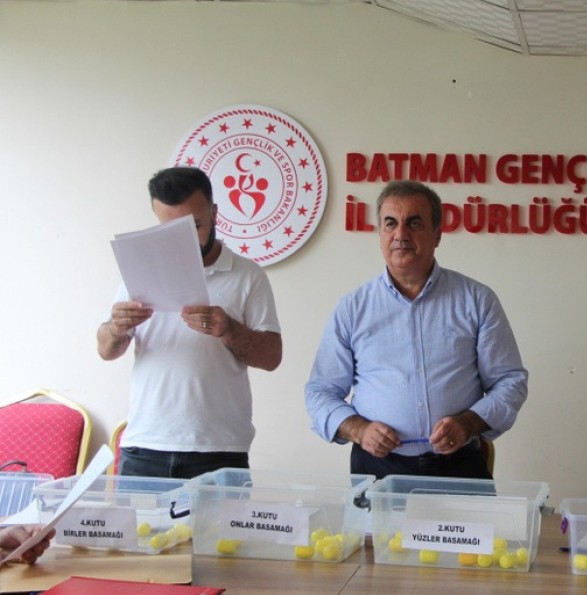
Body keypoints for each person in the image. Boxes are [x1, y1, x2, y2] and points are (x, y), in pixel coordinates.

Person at [306, 180, 527, 479]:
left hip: (460, 466)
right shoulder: (352, 308)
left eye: (414, 223)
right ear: (380, 234)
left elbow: (510, 381)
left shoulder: (477, 300)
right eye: (390, 223)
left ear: (437, 235)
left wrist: (469, 423)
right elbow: (320, 392)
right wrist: (359, 430)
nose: (400, 235)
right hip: (376, 468)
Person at [97, 167, 282, 479]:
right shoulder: (140, 268)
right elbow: (105, 350)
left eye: (194, 226)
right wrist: (116, 328)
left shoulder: (249, 275)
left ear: (214, 214)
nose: (183, 241)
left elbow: (271, 357)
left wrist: (229, 330)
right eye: (170, 230)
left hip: (220, 450)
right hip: (145, 445)